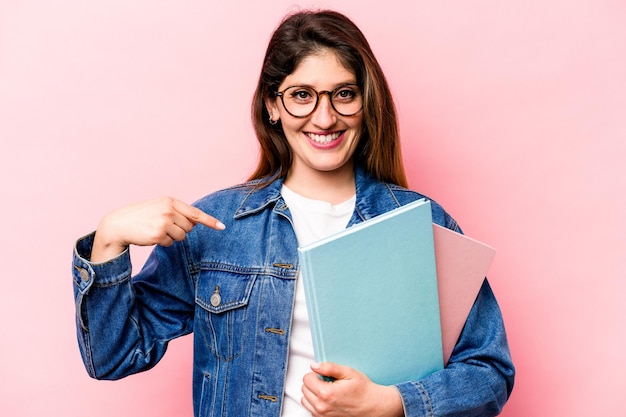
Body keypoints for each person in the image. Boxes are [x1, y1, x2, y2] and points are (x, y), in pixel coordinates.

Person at [72, 9, 514, 417]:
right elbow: (113, 355)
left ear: (366, 103)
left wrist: (392, 403)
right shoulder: (217, 227)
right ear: (273, 105)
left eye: (344, 94)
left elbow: (489, 372)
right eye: (302, 95)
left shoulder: (421, 221)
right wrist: (109, 241)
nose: (324, 118)